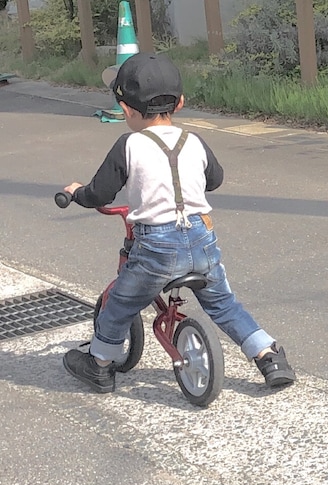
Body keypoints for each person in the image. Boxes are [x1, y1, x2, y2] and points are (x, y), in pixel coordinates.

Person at [62, 52, 296, 394]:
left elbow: (99, 193)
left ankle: (99, 363)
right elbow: (214, 179)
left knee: (120, 304)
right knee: (223, 303)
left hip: (156, 248)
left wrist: (77, 193)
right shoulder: (193, 141)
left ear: (125, 109)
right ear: (181, 102)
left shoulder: (129, 145)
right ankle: (269, 356)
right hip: (202, 238)